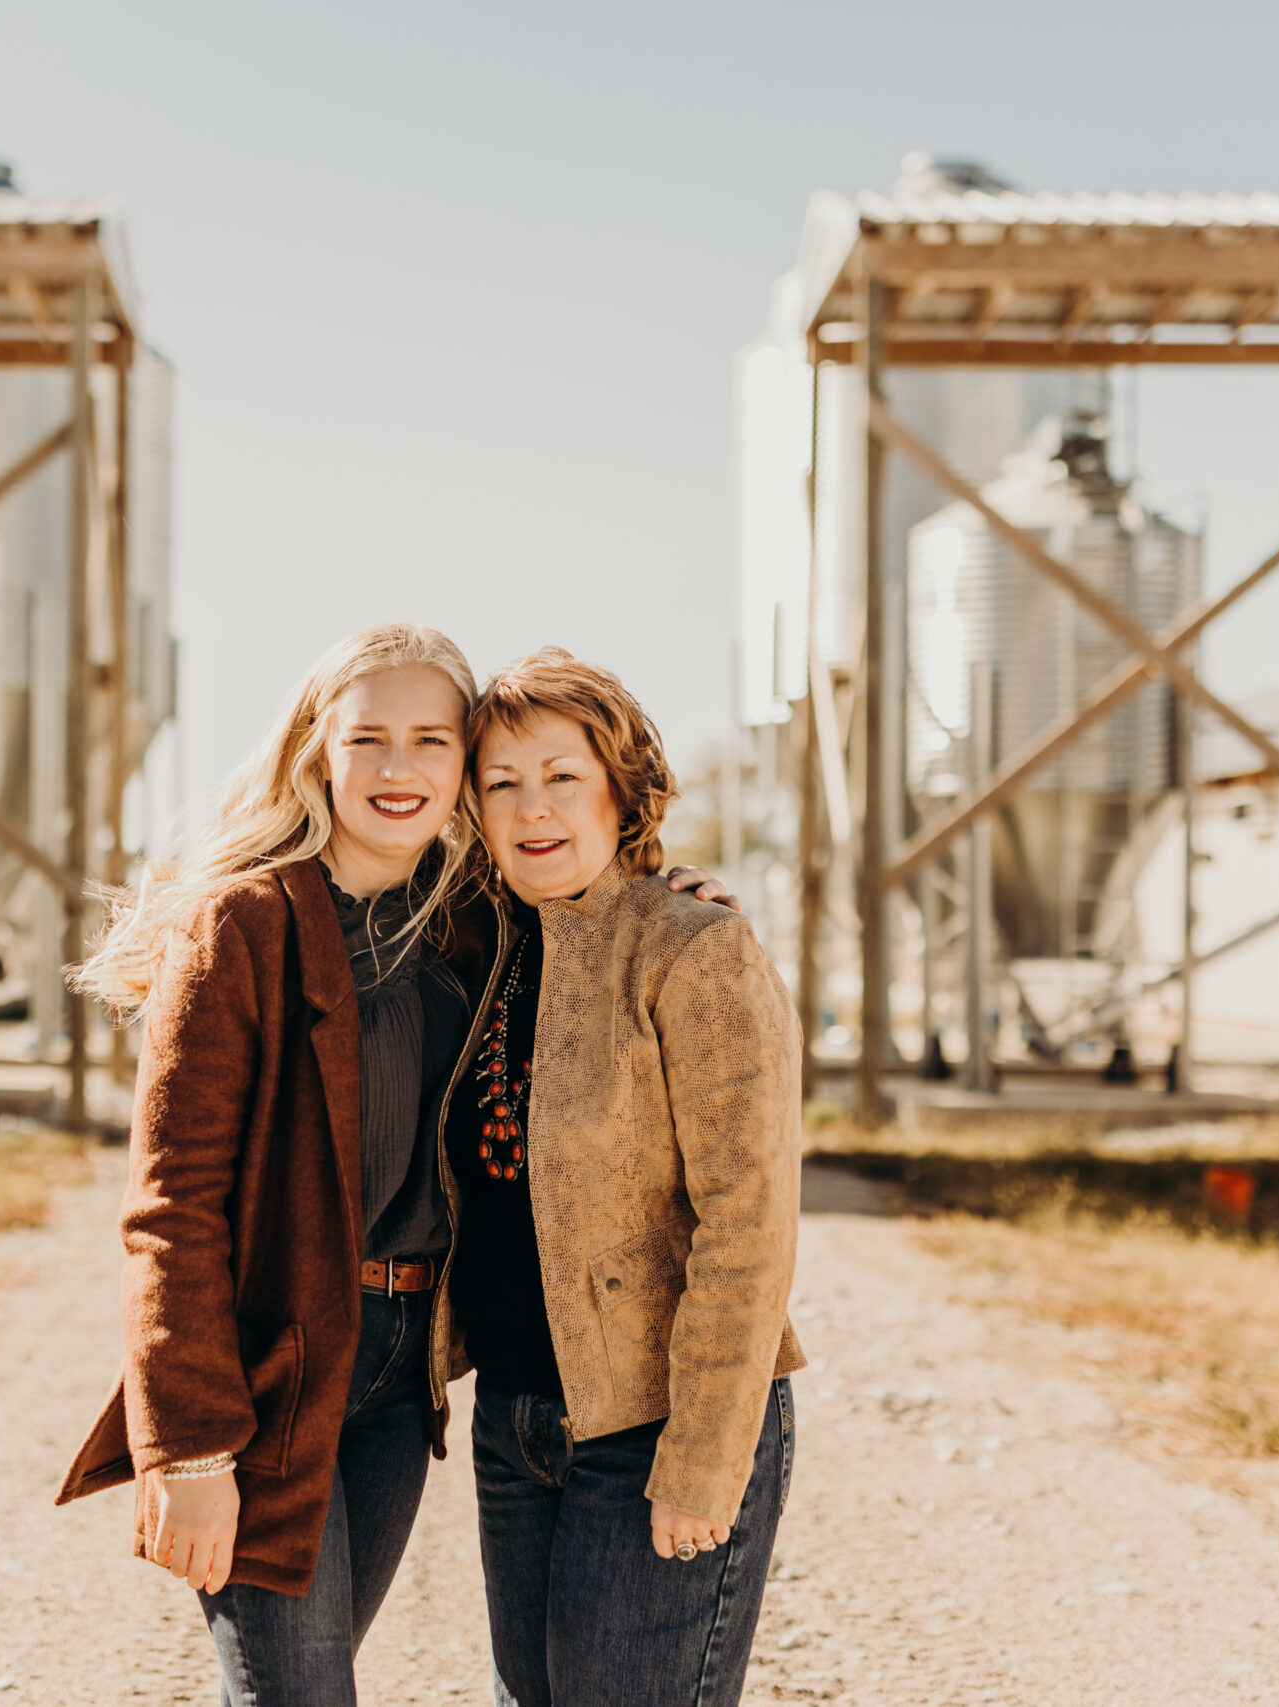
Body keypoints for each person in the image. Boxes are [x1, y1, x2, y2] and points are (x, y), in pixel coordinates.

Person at [54, 624, 732, 1707]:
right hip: (278, 1369)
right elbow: (170, 1210)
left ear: (463, 766)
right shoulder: (238, 928)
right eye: (367, 738)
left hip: (403, 1368)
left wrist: (661, 884)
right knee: (296, 1692)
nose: (398, 767)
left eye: (430, 740)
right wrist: (184, 1448)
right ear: (314, 752)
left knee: (317, 1676)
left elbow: (589, 894)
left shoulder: (474, 923)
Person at [450, 647, 804, 1707]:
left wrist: (702, 1459)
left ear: (622, 787)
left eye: (562, 774)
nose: (532, 807)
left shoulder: (689, 948)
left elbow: (747, 1221)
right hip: (515, 1422)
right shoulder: (476, 947)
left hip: (656, 1419)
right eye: (502, 782)